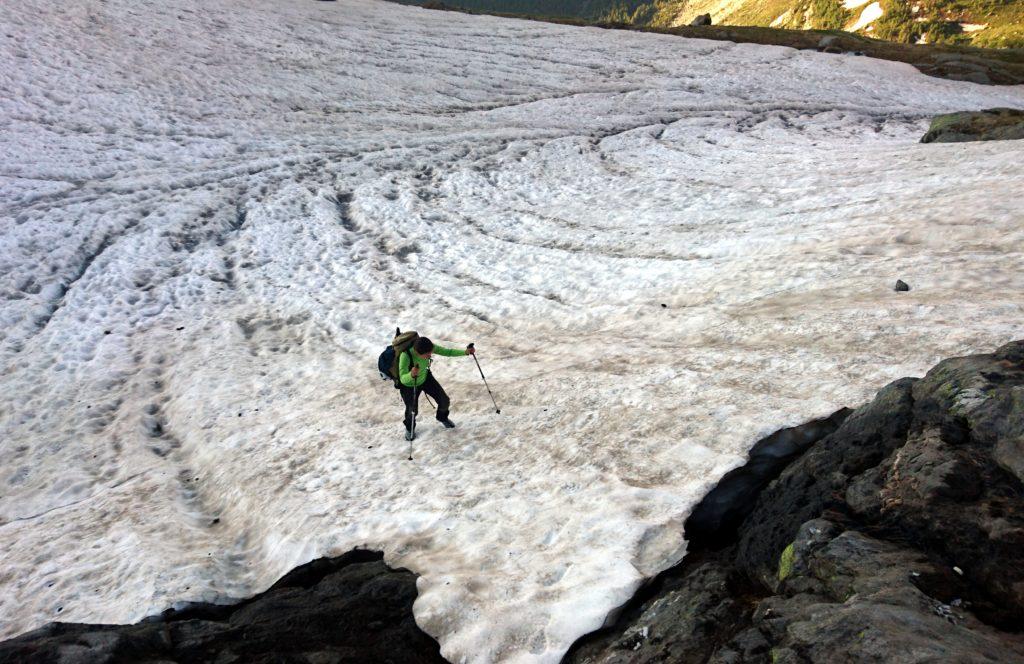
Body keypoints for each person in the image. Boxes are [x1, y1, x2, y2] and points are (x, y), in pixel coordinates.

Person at [398, 336, 475, 441]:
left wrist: (465, 352)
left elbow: (447, 352)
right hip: (409, 385)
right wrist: (411, 374)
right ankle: (409, 428)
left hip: (425, 378)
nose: (430, 355)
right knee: (412, 410)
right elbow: (402, 378)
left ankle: (442, 417)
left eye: (431, 352)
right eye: (427, 354)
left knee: (444, 400)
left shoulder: (428, 347)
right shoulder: (405, 356)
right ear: (417, 352)